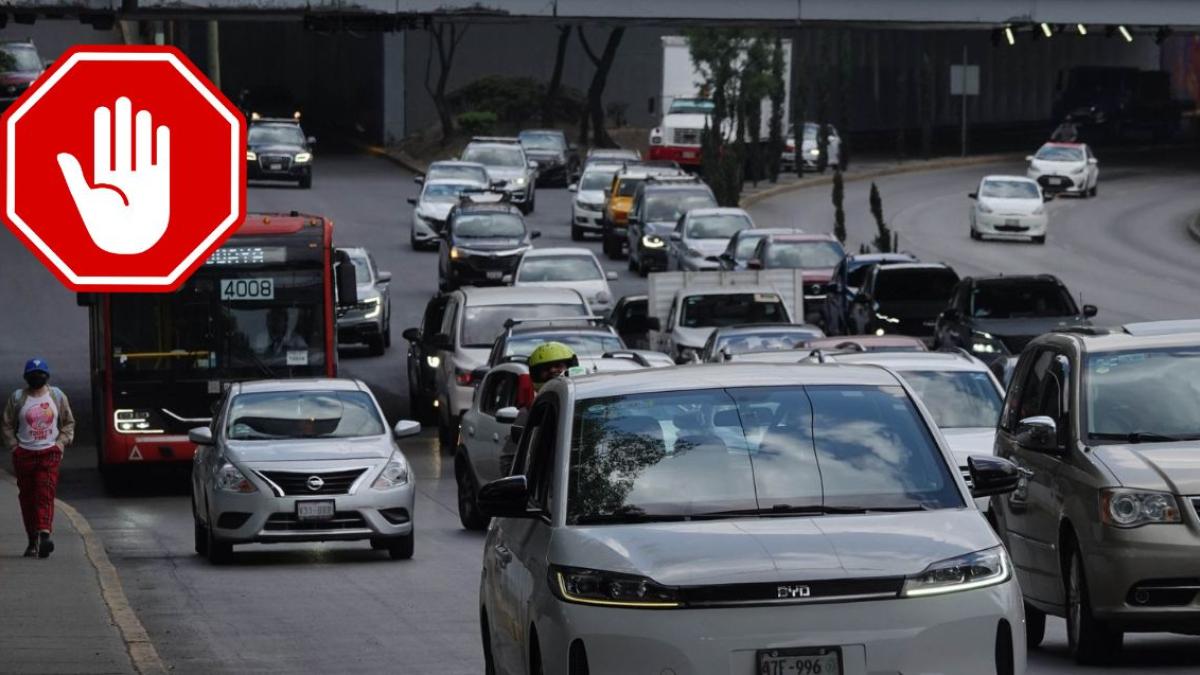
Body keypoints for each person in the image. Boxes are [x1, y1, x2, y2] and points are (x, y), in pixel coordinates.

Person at [1, 358, 75, 558]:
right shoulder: (17, 398)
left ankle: (44, 534)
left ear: (47, 376)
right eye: (33, 374)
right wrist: (14, 446)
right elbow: (6, 424)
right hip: (24, 454)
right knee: (28, 498)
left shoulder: (57, 396)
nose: (37, 377)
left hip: (49, 453)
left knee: (45, 492)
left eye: (40, 374)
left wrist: (60, 444)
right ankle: (32, 539)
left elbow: (68, 422)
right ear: (26, 378)